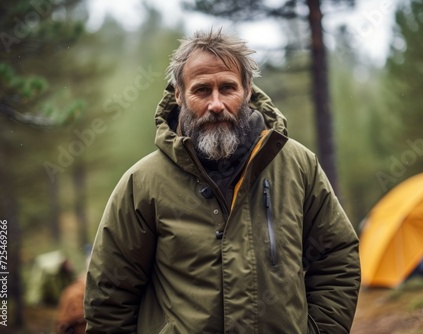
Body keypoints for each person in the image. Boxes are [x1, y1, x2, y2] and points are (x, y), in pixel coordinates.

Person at [84, 28, 361, 334]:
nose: (216, 104)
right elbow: (109, 296)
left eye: (227, 88)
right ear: (179, 95)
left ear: (248, 90)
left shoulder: (298, 167)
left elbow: (336, 258)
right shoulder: (142, 184)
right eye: (202, 90)